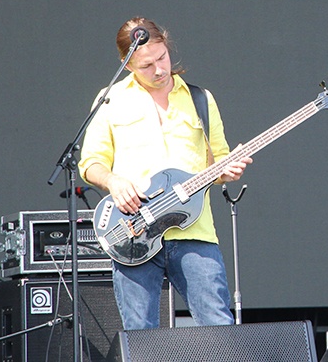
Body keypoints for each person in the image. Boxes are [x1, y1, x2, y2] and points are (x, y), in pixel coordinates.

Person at [79, 17, 251, 329]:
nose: (159, 69)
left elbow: (220, 163)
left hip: (194, 231)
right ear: (127, 63)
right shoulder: (111, 98)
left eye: (162, 57)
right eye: (147, 65)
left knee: (218, 327)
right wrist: (114, 182)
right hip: (134, 233)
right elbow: (90, 163)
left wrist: (230, 170)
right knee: (140, 335)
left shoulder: (200, 98)